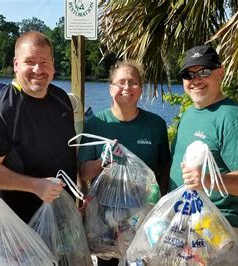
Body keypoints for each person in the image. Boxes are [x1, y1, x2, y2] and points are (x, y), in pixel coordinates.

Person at [0, 31, 77, 224]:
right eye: (30, 61)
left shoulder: (61, 99)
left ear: (53, 66)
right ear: (16, 64)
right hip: (19, 223)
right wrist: (36, 186)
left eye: (45, 62)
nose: (38, 69)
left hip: (63, 216)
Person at [77, 60, 171, 265]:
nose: (127, 87)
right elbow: (83, 173)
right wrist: (102, 162)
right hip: (105, 222)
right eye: (121, 82)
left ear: (141, 89)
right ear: (111, 88)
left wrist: (160, 207)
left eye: (133, 82)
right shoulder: (95, 124)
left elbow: (164, 169)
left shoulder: (155, 125)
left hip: (143, 217)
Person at [169, 45, 238, 245]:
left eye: (204, 71)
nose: (196, 80)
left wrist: (206, 180)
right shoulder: (189, 113)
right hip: (183, 221)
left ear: (220, 73)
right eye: (188, 74)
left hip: (217, 228)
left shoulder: (233, 117)